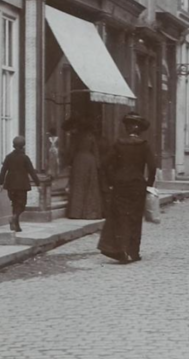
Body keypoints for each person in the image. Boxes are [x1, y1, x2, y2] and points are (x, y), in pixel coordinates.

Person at [98, 112, 156, 264]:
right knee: (135, 218)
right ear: (140, 130)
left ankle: (120, 249)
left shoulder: (118, 144)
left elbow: (104, 164)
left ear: (126, 128)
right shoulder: (144, 145)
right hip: (137, 185)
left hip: (120, 185)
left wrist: (112, 179)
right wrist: (149, 184)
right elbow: (152, 166)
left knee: (120, 216)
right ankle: (133, 252)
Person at [0, 136, 41, 232]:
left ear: (13, 145)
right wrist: (38, 184)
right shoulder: (25, 158)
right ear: (23, 146)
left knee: (14, 204)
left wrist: (0, 183)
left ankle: (16, 226)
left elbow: (3, 170)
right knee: (21, 205)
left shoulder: (8, 157)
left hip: (10, 185)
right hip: (21, 185)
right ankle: (13, 218)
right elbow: (32, 172)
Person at [67, 127, 103, 219]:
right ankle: (90, 213)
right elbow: (95, 150)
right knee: (90, 186)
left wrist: (69, 162)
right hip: (90, 161)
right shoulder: (91, 136)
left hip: (79, 160)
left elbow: (71, 151)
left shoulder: (76, 136)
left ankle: (75, 213)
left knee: (78, 186)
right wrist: (98, 165)